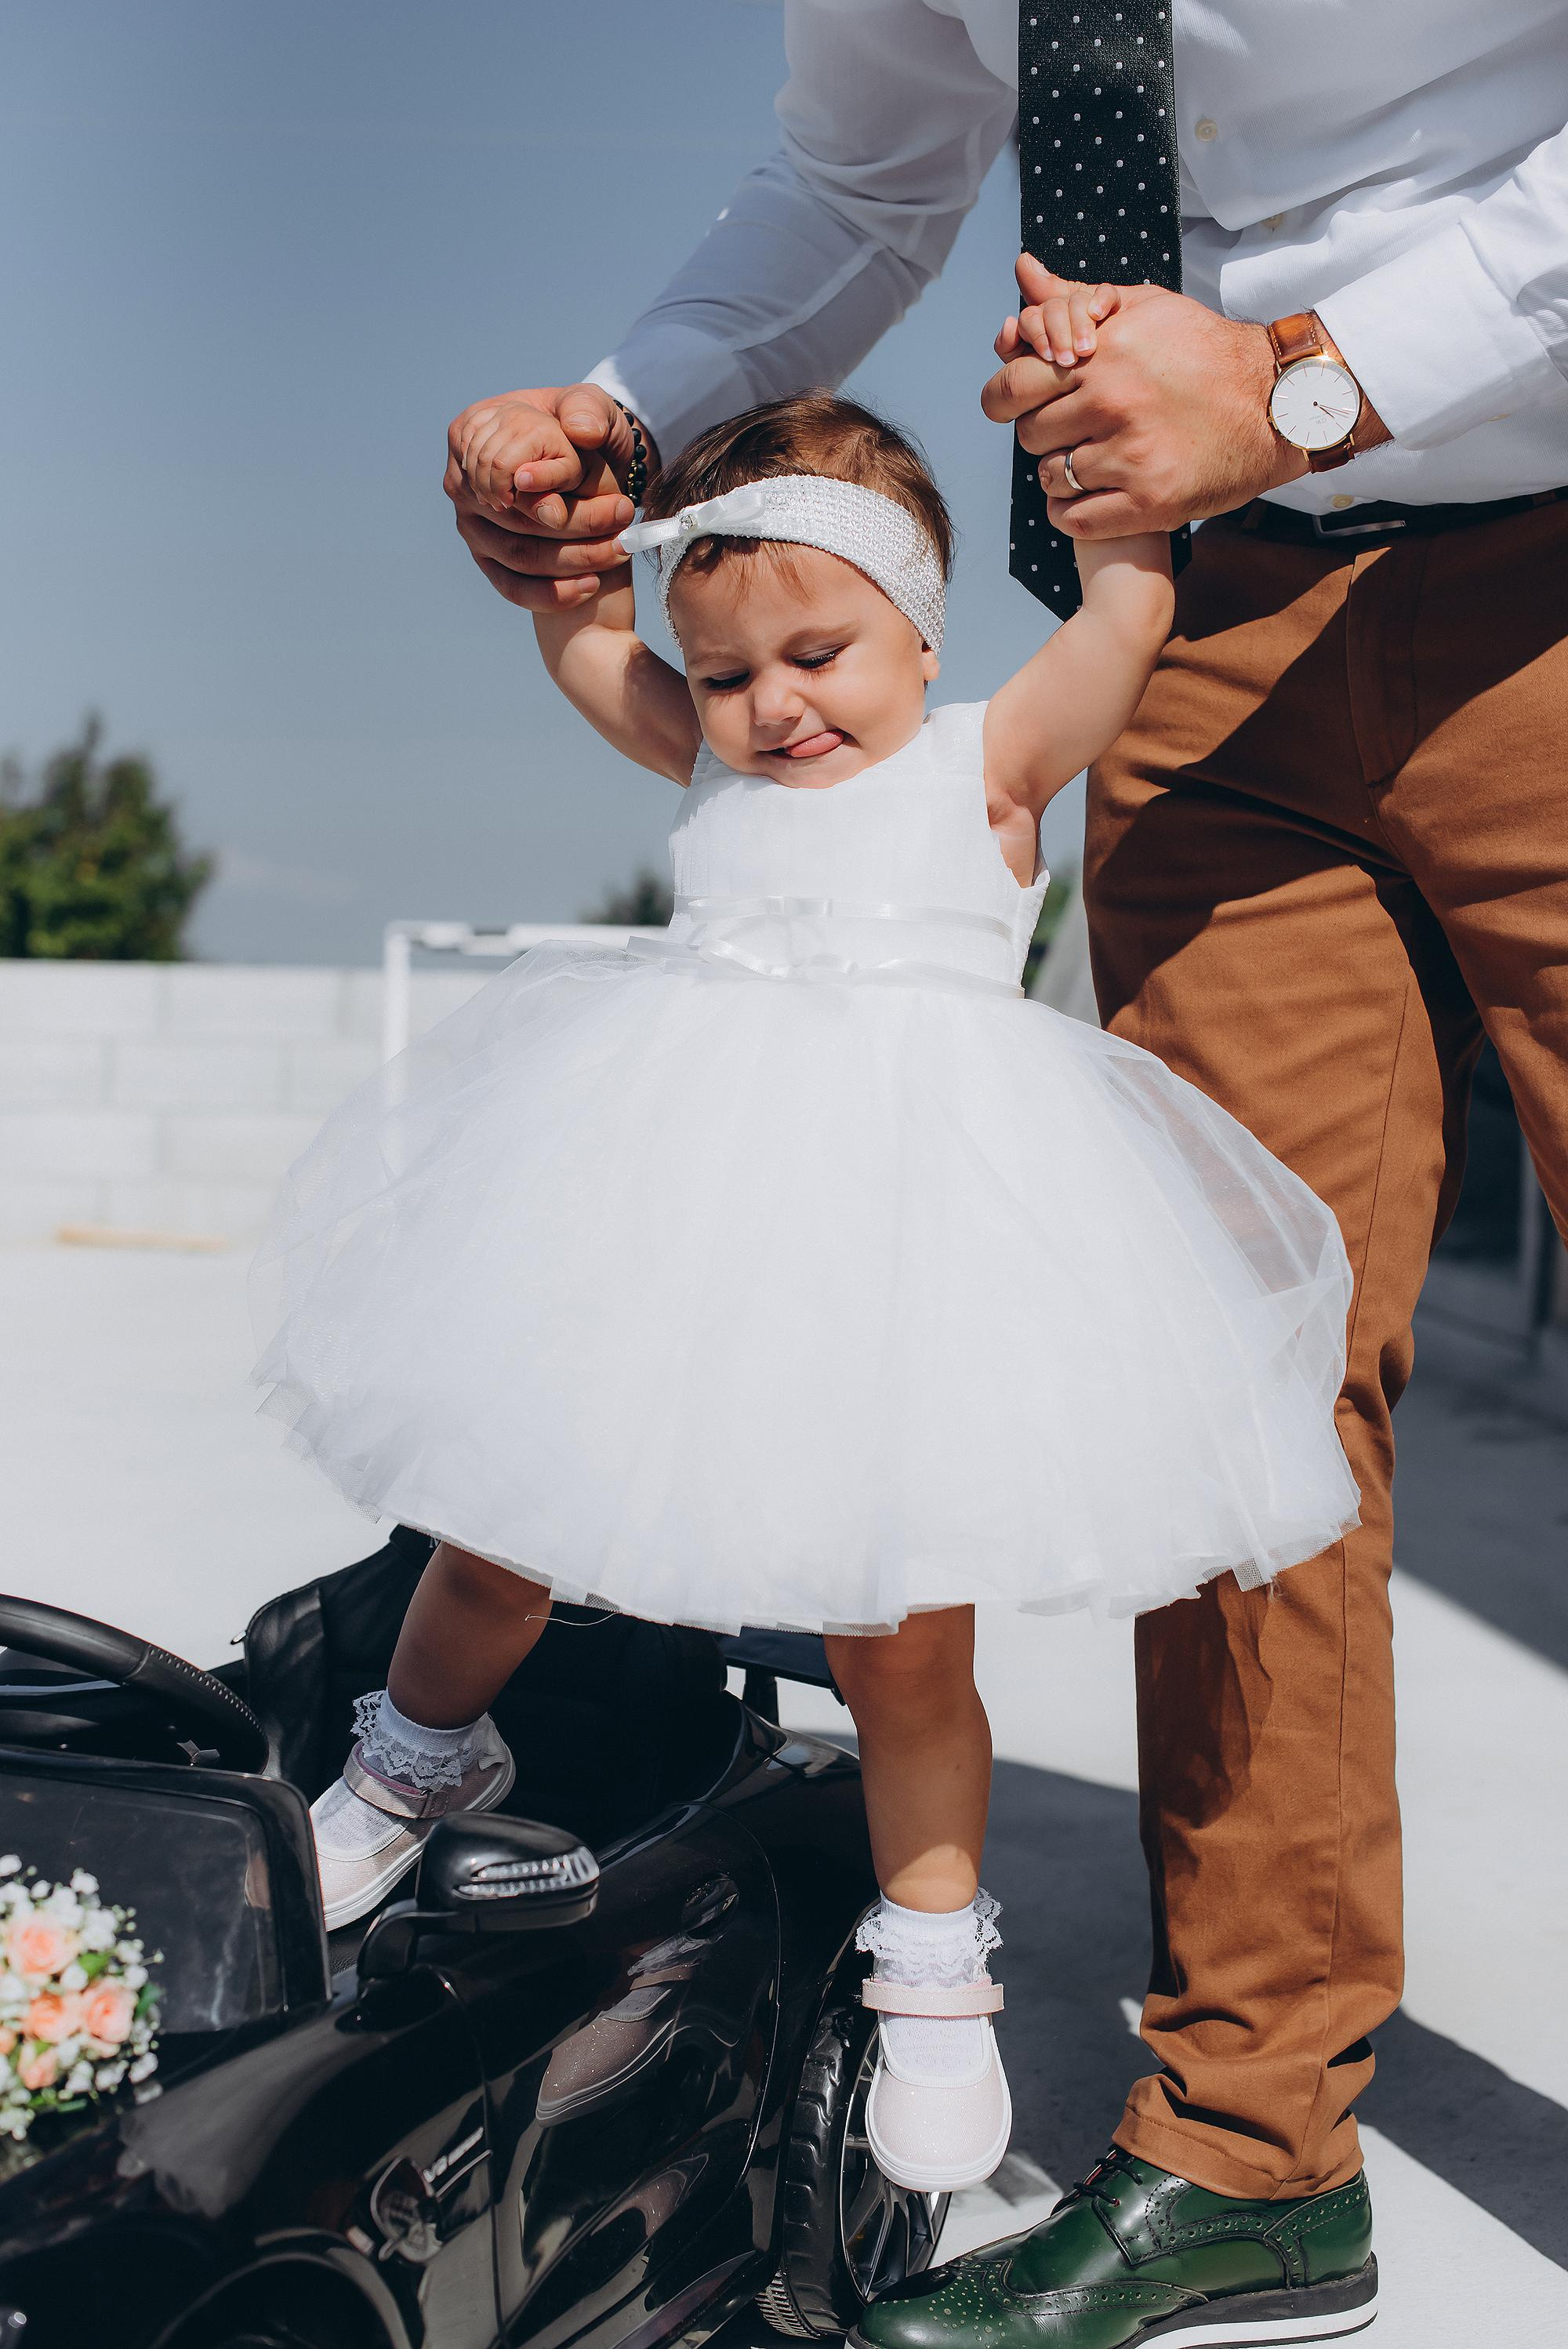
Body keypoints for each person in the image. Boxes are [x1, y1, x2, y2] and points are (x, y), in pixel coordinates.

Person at [441, 7, 1568, 2338]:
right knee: (1243, 1395)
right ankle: (1255, 2148)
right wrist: (629, 424)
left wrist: (1312, 381)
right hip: (1202, 617)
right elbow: (865, 176)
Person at [252, 389, 1358, 2202]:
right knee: (504, 1513)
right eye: (727, 671)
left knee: (902, 1632)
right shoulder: (709, 759)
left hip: (914, 1254)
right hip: (665, 1215)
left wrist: (1102, 459)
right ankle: (406, 1766)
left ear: (922, 620)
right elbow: (583, 638)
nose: (775, 706)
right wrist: (562, 559)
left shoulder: (986, 766)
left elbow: (1127, 617)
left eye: (820, 652)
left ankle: (933, 1968)